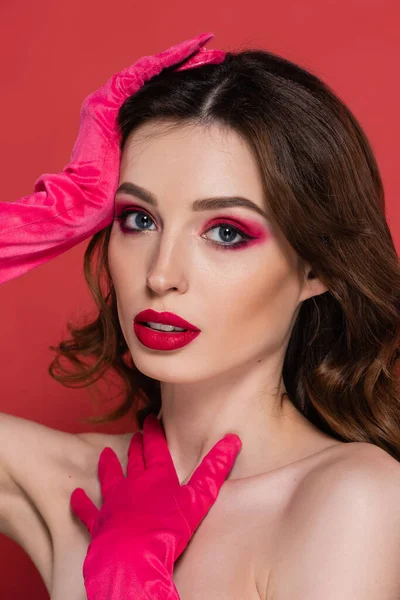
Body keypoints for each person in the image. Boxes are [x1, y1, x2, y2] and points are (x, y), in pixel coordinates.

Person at [1, 32, 400, 600]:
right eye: (138, 219)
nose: (161, 274)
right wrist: (36, 223)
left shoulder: (351, 498)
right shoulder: (59, 483)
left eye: (226, 232)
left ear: (317, 268)